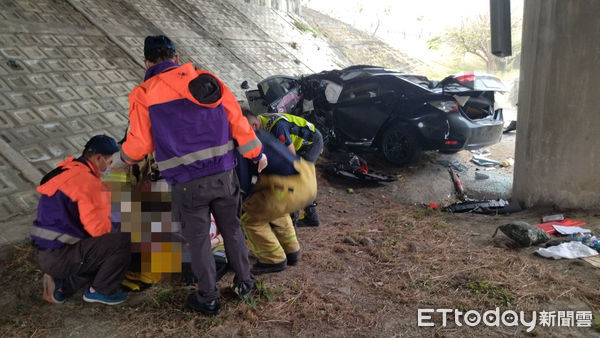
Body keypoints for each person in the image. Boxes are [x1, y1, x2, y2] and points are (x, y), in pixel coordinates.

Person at [117, 35, 267, 316]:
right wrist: (256, 154)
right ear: (176, 58)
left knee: (198, 239)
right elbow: (238, 122)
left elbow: (141, 145)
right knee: (232, 228)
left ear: (147, 62)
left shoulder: (144, 93)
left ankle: (208, 298)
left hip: (187, 184)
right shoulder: (208, 80)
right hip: (224, 174)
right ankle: (245, 283)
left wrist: (123, 158)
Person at [31, 135, 130, 305]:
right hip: (60, 256)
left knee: (98, 250)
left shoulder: (68, 169)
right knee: (121, 241)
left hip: (45, 251)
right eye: (109, 161)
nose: (110, 166)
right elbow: (99, 231)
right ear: (98, 158)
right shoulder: (88, 182)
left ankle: (62, 286)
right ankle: (100, 291)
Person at [236, 127, 316, 274]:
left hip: (286, 189)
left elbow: (243, 182)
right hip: (306, 179)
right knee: (277, 212)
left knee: (250, 219)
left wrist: (239, 202)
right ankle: (292, 252)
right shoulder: (263, 135)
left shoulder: (242, 141)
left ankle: (273, 259)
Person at [245, 112, 323, 227]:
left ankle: (296, 218)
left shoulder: (277, 127)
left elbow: (290, 155)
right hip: (300, 142)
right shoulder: (262, 120)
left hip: (311, 143)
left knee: (298, 177)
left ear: (255, 125)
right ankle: (310, 217)